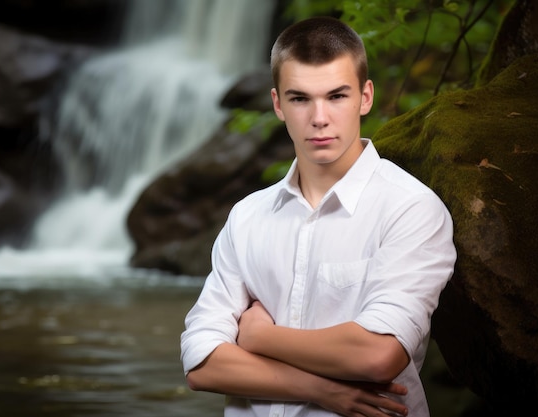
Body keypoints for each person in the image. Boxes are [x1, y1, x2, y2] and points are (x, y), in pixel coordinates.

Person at [180, 16, 456, 417]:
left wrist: (259, 336)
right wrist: (320, 390)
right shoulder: (247, 217)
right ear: (277, 104)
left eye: (337, 96)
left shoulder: (410, 208)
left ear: (365, 97)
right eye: (300, 98)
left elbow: (378, 354)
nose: (319, 118)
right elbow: (201, 362)